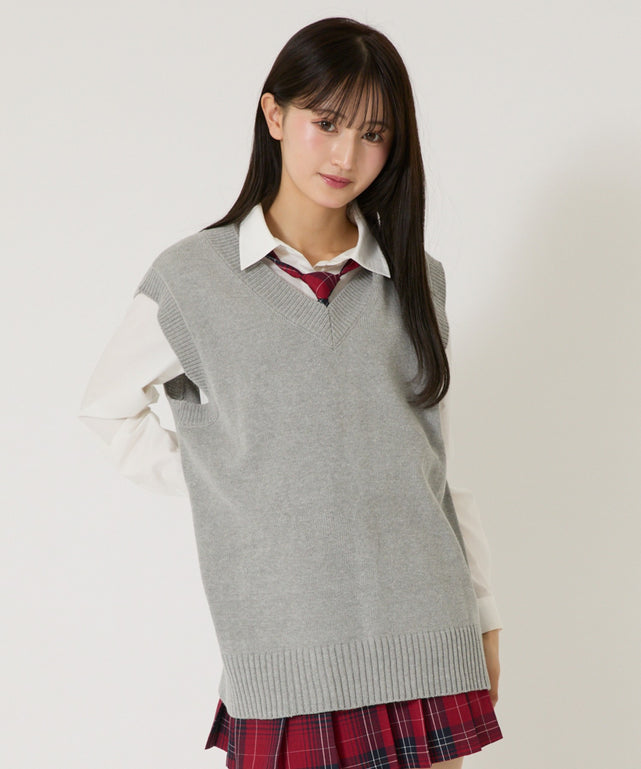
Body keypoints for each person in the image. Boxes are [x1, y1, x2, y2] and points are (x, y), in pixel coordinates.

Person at [78, 16, 504, 769]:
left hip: (426, 631)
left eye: (373, 134)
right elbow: (108, 408)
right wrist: (235, 482)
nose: (345, 155)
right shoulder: (192, 279)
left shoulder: (416, 280)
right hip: (285, 645)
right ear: (274, 115)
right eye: (326, 122)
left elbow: (437, 464)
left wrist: (483, 613)